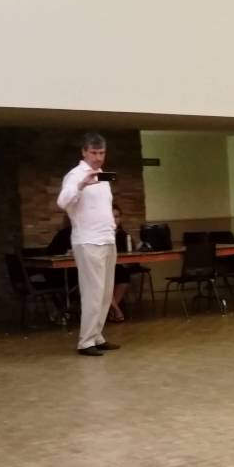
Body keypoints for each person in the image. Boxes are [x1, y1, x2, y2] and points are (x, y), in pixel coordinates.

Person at [56, 133, 120, 357]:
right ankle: (85, 341)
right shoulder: (74, 175)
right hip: (87, 240)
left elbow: (104, 206)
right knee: (93, 292)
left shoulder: (103, 175)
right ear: (84, 152)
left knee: (105, 292)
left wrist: (112, 226)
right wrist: (81, 186)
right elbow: (63, 202)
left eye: (101, 153)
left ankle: (97, 335)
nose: (98, 158)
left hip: (107, 239)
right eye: (93, 153)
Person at [110, 206, 143, 322]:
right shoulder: (100, 236)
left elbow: (129, 253)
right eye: (112, 216)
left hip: (117, 267)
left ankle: (113, 309)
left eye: (117, 217)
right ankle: (116, 310)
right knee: (103, 281)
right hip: (102, 268)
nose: (114, 220)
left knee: (123, 277)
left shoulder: (123, 235)